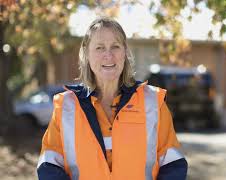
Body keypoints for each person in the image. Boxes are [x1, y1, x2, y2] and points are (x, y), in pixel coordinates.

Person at [37, 17, 188, 180]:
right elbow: (49, 166)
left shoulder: (152, 102)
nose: (108, 55)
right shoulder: (66, 107)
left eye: (115, 47)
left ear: (125, 53)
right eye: (99, 47)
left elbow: (173, 164)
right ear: (87, 54)